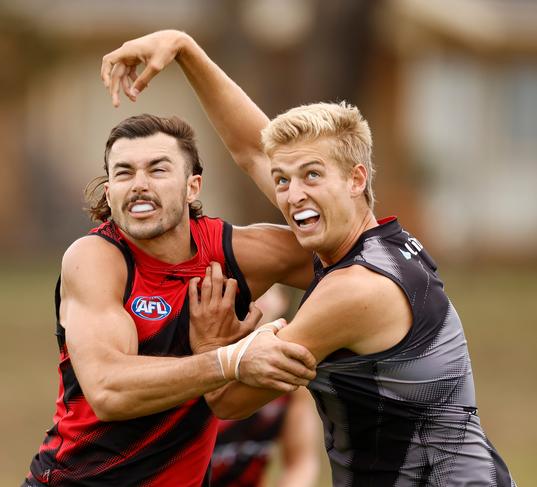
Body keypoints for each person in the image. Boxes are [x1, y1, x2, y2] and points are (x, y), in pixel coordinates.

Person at [101, 30, 517, 485]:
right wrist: (185, 49)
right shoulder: (376, 244)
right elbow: (249, 149)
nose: (293, 195)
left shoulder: (353, 289)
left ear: (356, 179)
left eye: (312, 175)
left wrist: (210, 347)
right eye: (282, 180)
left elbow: (229, 401)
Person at [21, 112, 320, 487]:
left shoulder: (229, 254)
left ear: (192, 187)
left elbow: (353, 255)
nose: (139, 185)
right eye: (124, 173)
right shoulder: (95, 259)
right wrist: (229, 359)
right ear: (109, 190)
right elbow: (110, 390)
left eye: (157, 170)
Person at [211, 286, 321, 487]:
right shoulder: (198, 365)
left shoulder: (292, 379)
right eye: (247, 293)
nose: (254, 304)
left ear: (283, 301)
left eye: (266, 291)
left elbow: (301, 463)